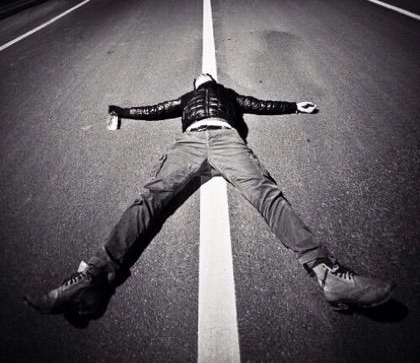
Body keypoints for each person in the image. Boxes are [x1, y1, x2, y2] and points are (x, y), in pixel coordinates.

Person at [25, 73, 395, 316]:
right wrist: (122, 111)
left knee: (268, 195)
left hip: (226, 140)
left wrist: (294, 106)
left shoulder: (229, 95)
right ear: (196, 84)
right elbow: (155, 110)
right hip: (189, 142)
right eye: (200, 76)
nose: (203, 75)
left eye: (207, 75)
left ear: (213, 80)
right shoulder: (186, 98)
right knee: (150, 199)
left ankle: (328, 274)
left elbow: (258, 104)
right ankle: (93, 277)